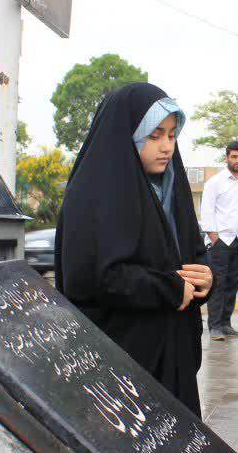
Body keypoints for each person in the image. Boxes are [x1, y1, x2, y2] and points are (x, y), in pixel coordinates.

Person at [54, 83, 213, 417]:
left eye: (172, 135)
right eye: (154, 135)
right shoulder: (92, 195)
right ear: (126, 134)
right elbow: (93, 277)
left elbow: (191, 251)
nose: (166, 146)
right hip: (122, 362)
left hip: (173, 356)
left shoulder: (171, 189)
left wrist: (204, 277)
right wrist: (168, 288)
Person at [200, 141, 238, 341]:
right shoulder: (215, 182)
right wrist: (214, 236)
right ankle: (214, 326)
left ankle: (226, 323)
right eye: (234, 156)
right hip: (221, 241)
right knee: (218, 284)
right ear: (227, 157)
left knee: (233, 283)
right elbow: (207, 210)